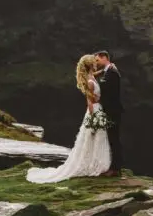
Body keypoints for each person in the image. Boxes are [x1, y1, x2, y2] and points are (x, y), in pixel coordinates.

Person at [26, 54, 111, 183]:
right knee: (94, 136)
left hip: (98, 108)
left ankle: (97, 162)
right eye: (94, 62)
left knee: (96, 138)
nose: (96, 63)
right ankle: (95, 164)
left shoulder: (91, 76)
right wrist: (94, 118)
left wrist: (106, 69)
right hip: (95, 110)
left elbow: (96, 74)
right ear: (90, 65)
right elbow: (89, 102)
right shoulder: (89, 81)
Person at [94, 50, 124, 176]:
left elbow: (111, 92)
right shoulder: (108, 71)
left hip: (113, 110)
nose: (97, 62)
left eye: (97, 59)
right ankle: (112, 165)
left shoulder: (112, 72)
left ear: (104, 57)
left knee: (114, 139)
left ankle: (116, 168)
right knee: (110, 138)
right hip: (108, 110)